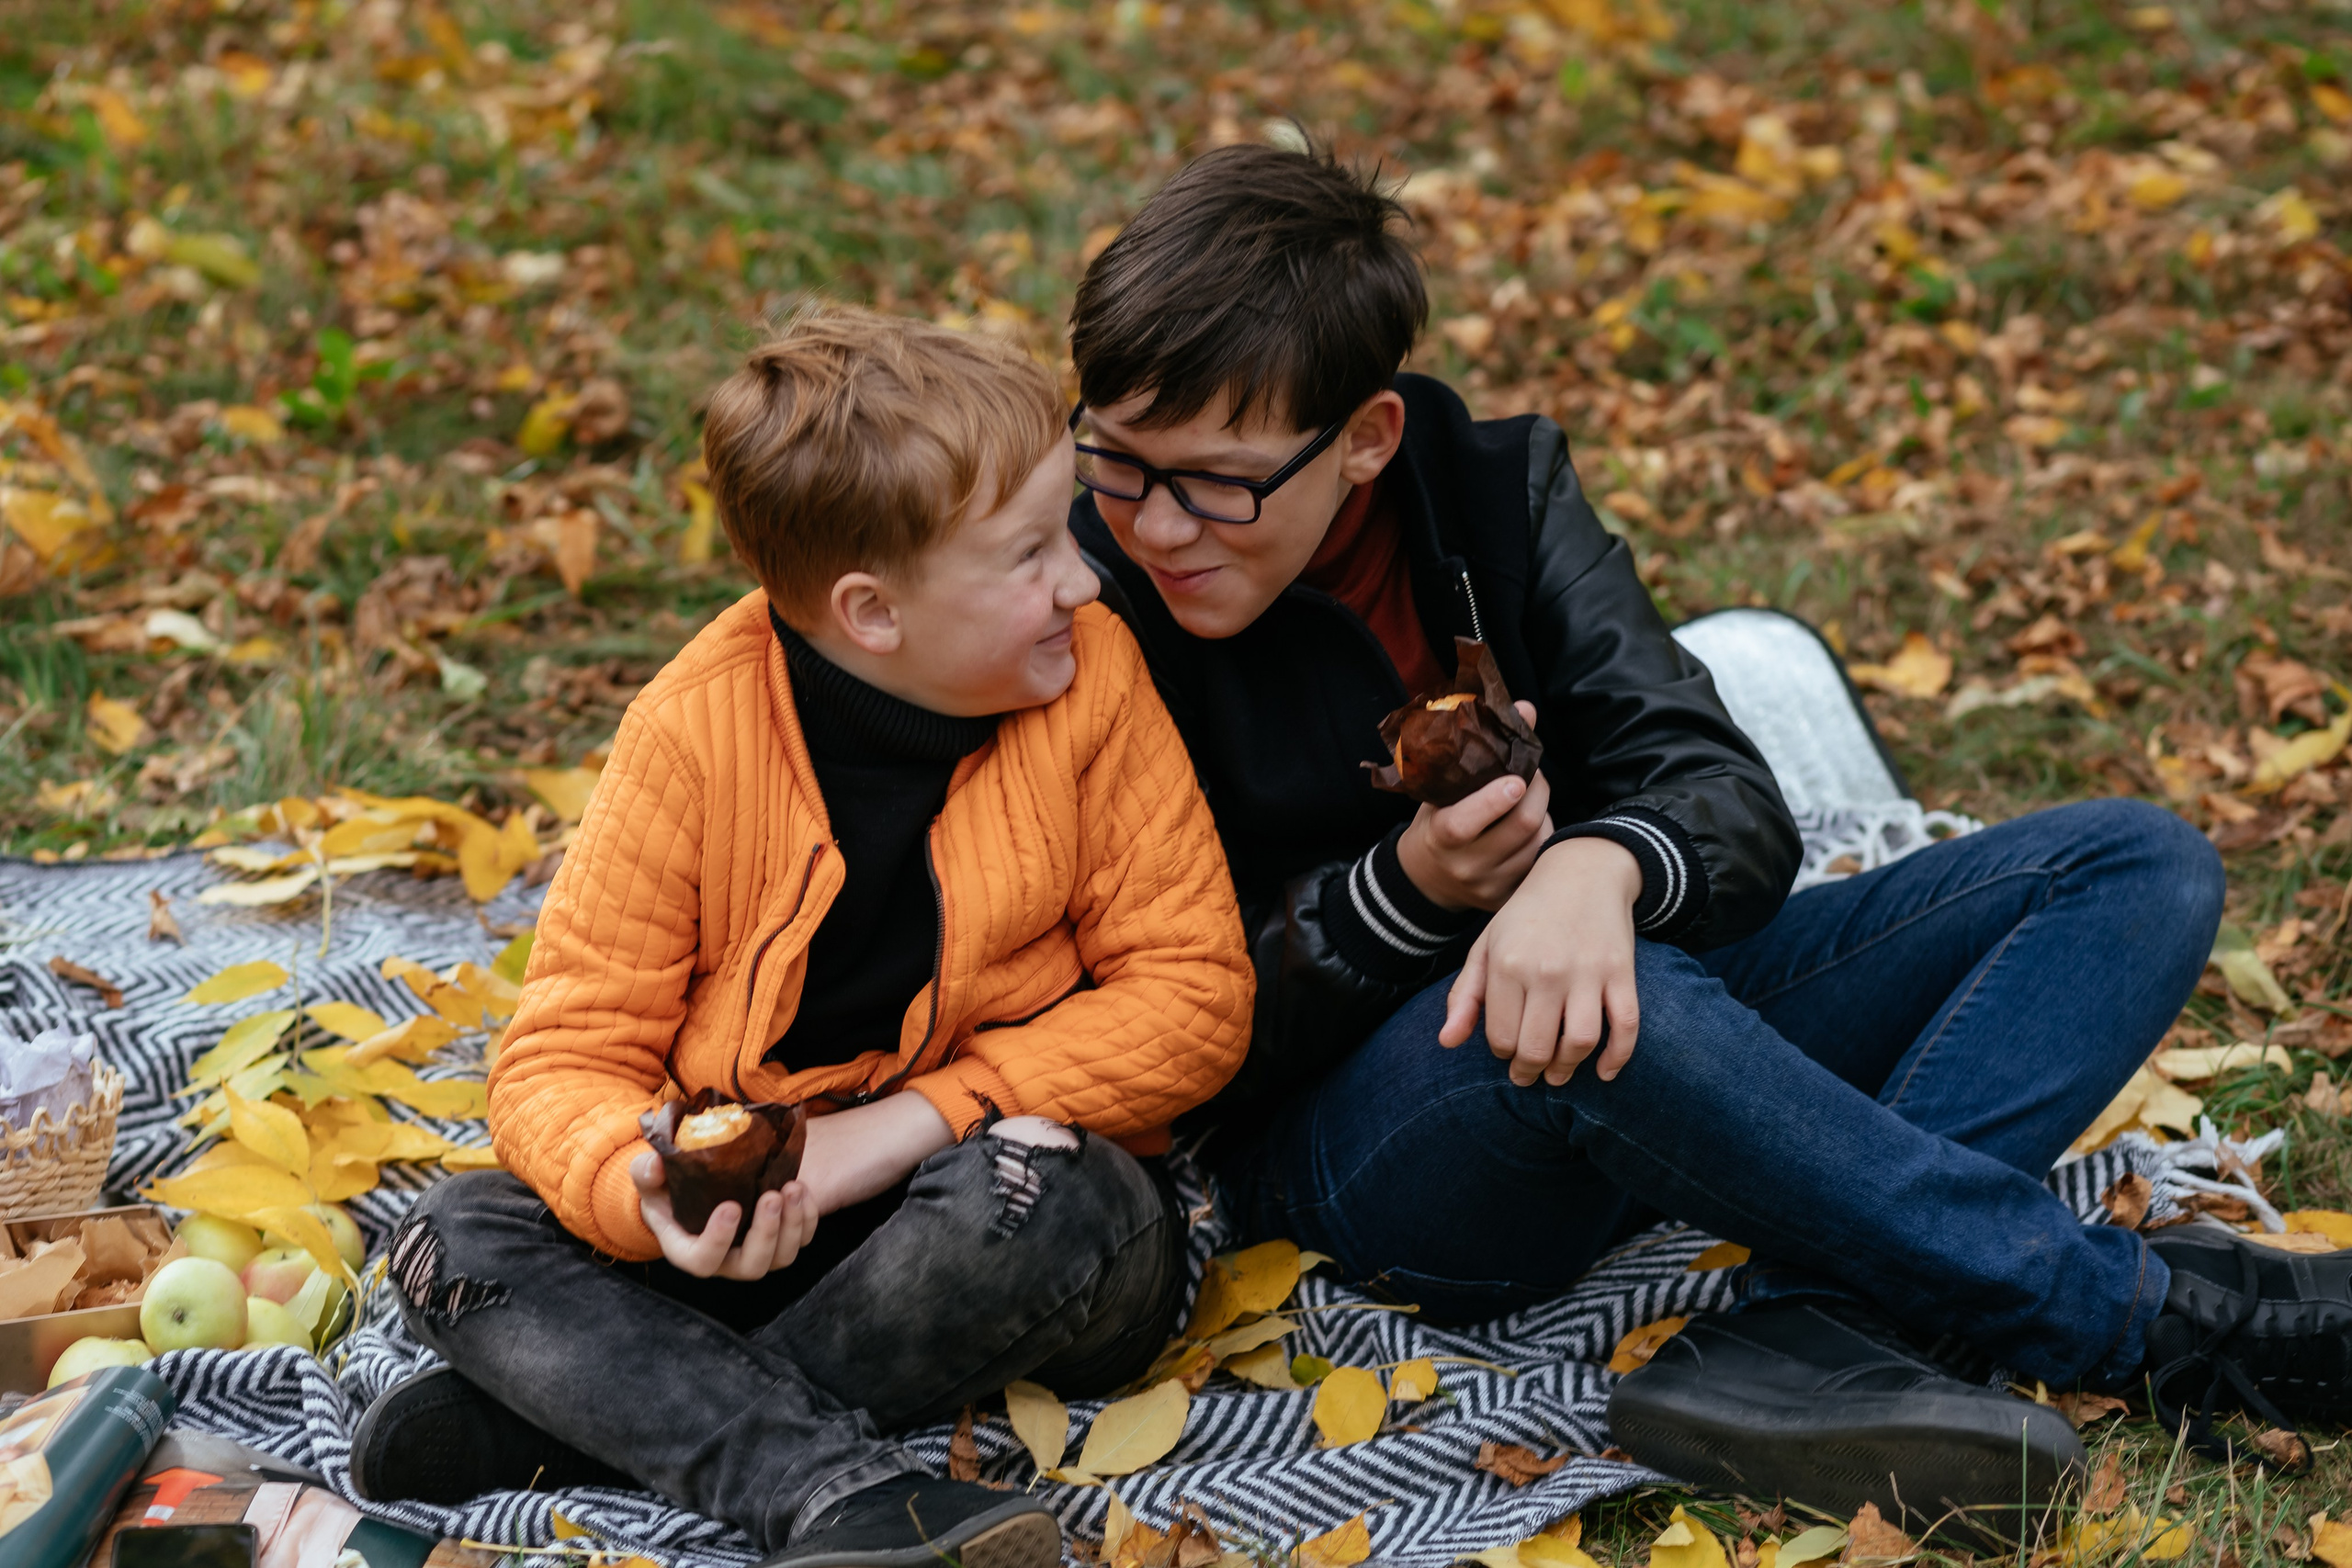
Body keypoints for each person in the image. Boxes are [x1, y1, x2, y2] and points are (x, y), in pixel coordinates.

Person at [1064, 141, 2349, 1530]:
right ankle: (2136, 1321)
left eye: (1218, 481)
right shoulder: (1083, 608)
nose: (1157, 524)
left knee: (2134, 867)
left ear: (1367, 440)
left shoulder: (1493, 492)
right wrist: (1405, 895)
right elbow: (1133, 1011)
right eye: (1118, 463)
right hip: (1350, 1150)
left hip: (1612, 1021)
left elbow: (1723, 797)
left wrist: (1595, 865)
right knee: (1622, 1004)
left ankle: (1801, 1332)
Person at [346, 306, 1254, 1568]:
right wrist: (645, 1195)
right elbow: (562, 1060)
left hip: (996, 1205)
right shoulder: (691, 735)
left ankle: (593, 1415)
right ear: (872, 613)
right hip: (766, 1241)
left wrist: (912, 1123)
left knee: (1048, 1196)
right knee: (452, 1230)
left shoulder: (1094, 682)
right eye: (1031, 554)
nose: (1086, 581)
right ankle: (826, 1492)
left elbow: (1196, 996)